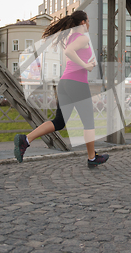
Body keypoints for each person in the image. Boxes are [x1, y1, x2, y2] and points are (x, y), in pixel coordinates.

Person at [14, 10, 109, 168]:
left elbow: (71, 56)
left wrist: (87, 65)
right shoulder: (82, 38)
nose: (89, 24)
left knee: (59, 122)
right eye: (88, 21)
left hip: (65, 83)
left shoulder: (71, 37)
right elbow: (69, 52)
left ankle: (26, 139)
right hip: (77, 84)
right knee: (89, 123)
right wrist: (86, 65)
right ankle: (92, 158)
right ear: (83, 22)